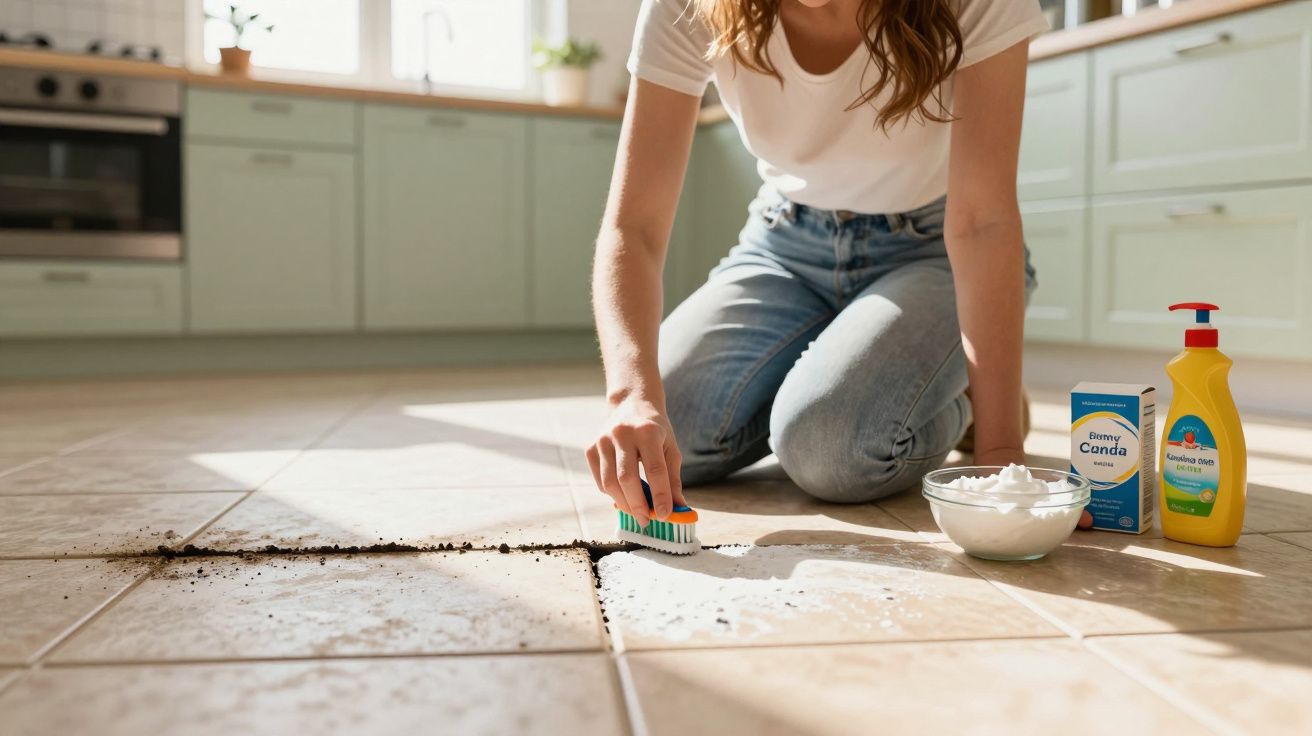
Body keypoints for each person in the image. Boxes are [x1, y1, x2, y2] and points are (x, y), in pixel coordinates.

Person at [586, 0, 1051, 529]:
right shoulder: (688, 6)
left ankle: (963, 388)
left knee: (829, 449)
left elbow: (981, 222)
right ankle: (856, 361)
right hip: (786, 242)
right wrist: (630, 397)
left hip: (934, 248)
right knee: (676, 428)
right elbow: (635, 227)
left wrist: (1001, 449)